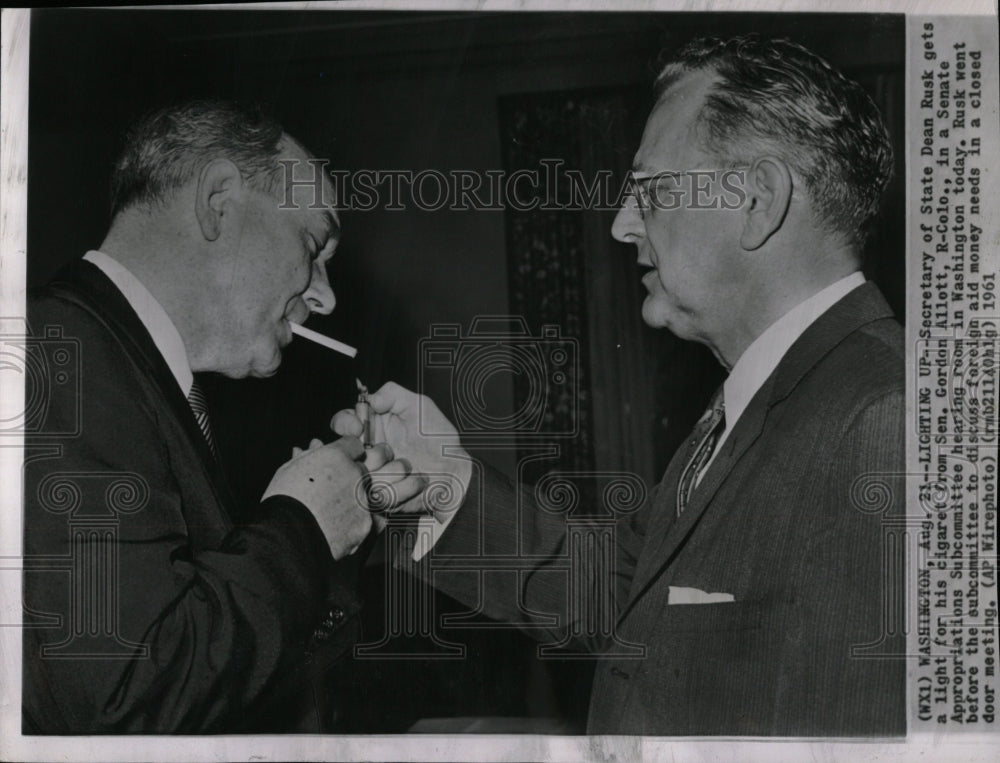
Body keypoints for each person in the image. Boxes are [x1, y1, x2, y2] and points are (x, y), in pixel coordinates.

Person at [333, 36, 906, 735]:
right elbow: (624, 596)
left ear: (758, 200)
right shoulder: (771, 397)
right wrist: (443, 484)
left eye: (650, 190)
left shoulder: (885, 419)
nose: (621, 224)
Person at [22, 101, 417, 733]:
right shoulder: (57, 351)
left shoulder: (129, 372)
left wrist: (337, 528)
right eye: (313, 243)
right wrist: (300, 526)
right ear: (219, 202)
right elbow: (127, 698)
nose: (326, 294)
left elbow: (212, 672)